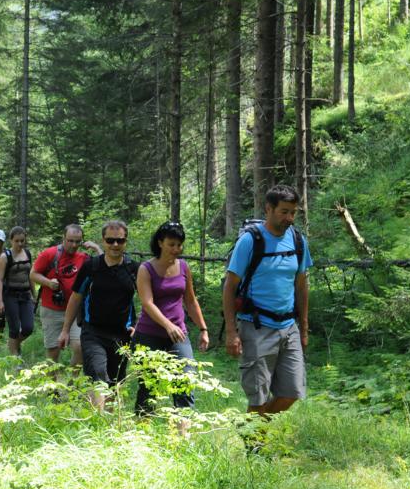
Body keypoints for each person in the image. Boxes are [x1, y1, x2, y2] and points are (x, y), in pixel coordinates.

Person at [222, 185, 313, 432]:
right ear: (268, 209)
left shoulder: (297, 240)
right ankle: (255, 450)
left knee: (292, 392)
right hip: (256, 326)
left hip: (288, 326)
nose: (289, 218)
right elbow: (230, 288)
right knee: (258, 396)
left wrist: (303, 327)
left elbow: (302, 285)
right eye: (284, 211)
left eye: (293, 212)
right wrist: (231, 332)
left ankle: (252, 429)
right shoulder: (251, 241)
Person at [132, 221, 209, 414]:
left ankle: (183, 438)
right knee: (150, 387)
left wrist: (203, 329)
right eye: (171, 244)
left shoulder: (183, 267)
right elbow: (147, 303)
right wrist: (167, 325)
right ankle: (142, 433)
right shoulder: (146, 269)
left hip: (178, 334)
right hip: (149, 335)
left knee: (185, 382)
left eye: (179, 245)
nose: (176, 249)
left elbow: (190, 300)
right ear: (160, 243)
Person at [59, 220, 139, 409]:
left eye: (120, 241)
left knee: (115, 382)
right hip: (93, 331)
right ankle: (99, 422)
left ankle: (110, 423)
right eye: (110, 240)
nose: (115, 245)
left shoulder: (134, 268)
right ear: (103, 241)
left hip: (122, 334)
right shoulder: (92, 266)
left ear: (126, 241)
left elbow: (147, 299)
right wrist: (64, 330)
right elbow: (76, 298)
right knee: (98, 374)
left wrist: (140, 325)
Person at [30, 224, 100, 367]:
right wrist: (48, 283)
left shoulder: (84, 258)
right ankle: (53, 387)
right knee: (53, 351)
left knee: (80, 347)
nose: (74, 245)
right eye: (70, 240)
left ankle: (72, 384)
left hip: (75, 311)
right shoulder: (50, 254)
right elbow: (33, 274)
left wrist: (97, 249)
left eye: (78, 241)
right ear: (63, 238)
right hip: (52, 310)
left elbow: (104, 267)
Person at [0, 226, 36, 356]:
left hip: (25, 295)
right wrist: (0, 301)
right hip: (10, 295)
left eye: (22, 240)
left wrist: (33, 295)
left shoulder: (28, 254)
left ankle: (13, 345)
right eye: (17, 241)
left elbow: (31, 276)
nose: (20, 243)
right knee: (14, 328)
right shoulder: (5, 256)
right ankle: (15, 358)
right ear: (11, 240)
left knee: (28, 327)